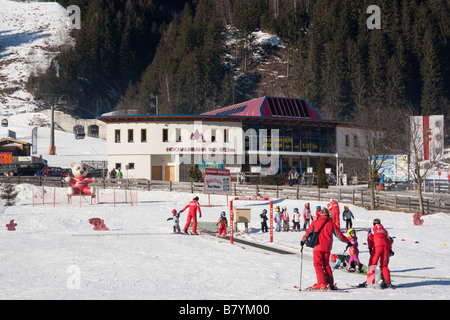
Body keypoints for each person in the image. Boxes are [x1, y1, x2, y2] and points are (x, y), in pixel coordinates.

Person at [301, 208, 350, 290]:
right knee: (326, 265)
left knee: (318, 265)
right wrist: (347, 242)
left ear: (320, 214)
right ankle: (330, 284)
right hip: (327, 248)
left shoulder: (315, 223)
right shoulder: (331, 224)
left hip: (318, 247)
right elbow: (339, 235)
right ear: (327, 215)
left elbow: (308, 233)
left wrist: (303, 241)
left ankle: (321, 283)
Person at [366, 218, 392, 289]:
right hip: (385, 248)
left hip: (377, 247)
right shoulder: (385, 231)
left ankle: (370, 282)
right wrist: (390, 249)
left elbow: (369, 239)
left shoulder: (372, 230)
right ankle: (387, 282)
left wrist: (370, 248)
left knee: (372, 264)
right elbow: (388, 240)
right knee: (384, 265)